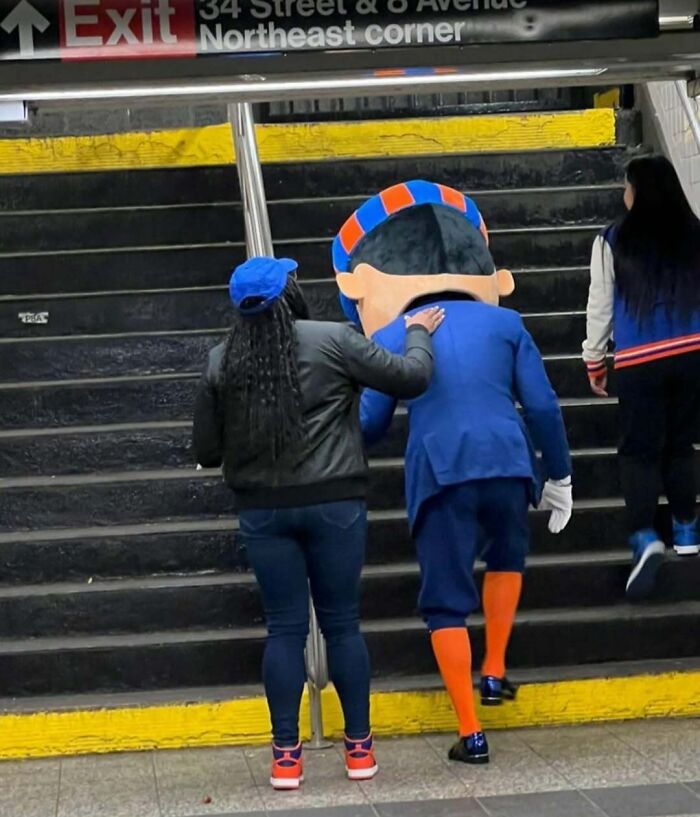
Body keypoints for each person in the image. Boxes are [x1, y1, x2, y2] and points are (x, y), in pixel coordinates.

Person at [332, 180, 573, 765]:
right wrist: (560, 475)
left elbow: (370, 424)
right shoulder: (507, 325)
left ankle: (471, 733)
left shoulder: (395, 333)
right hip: (510, 464)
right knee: (507, 558)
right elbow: (543, 407)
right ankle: (495, 668)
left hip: (441, 474)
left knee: (444, 601)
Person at [192, 255, 443, 791]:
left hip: (263, 511)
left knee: (284, 629)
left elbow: (207, 451)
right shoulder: (333, 339)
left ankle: (286, 758)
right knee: (342, 625)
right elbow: (413, 377)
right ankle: (359, 751)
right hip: (335, 503)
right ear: (291, 295)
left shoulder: (221, 360)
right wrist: (418, 332)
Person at [583, 155, 700, 601]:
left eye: (627, 187)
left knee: (639, 452)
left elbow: (600, 306)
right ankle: (687, 531)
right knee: (681, 444)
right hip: (692, 353)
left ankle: (645, 536)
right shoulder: (694, 233)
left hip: (640, 359)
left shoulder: (612, 240)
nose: (623, 195)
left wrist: (595, 360)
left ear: (638, 191)